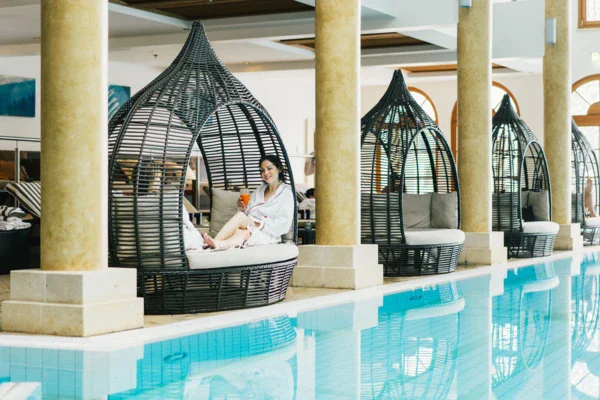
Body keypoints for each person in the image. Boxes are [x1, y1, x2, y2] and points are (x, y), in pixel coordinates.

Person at [203, 155, 294, 249]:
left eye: (269, 168)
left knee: (242, 225)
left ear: (279, 169)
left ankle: (213, 243)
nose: (265, 173)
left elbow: (283, 224)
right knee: (240, 230)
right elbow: (248, 213)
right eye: (262, 170)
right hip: (249, 226)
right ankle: (218, 244)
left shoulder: (286, 193)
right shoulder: (260, 190)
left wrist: (256, 224)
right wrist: (243, 209)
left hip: (268, 233)